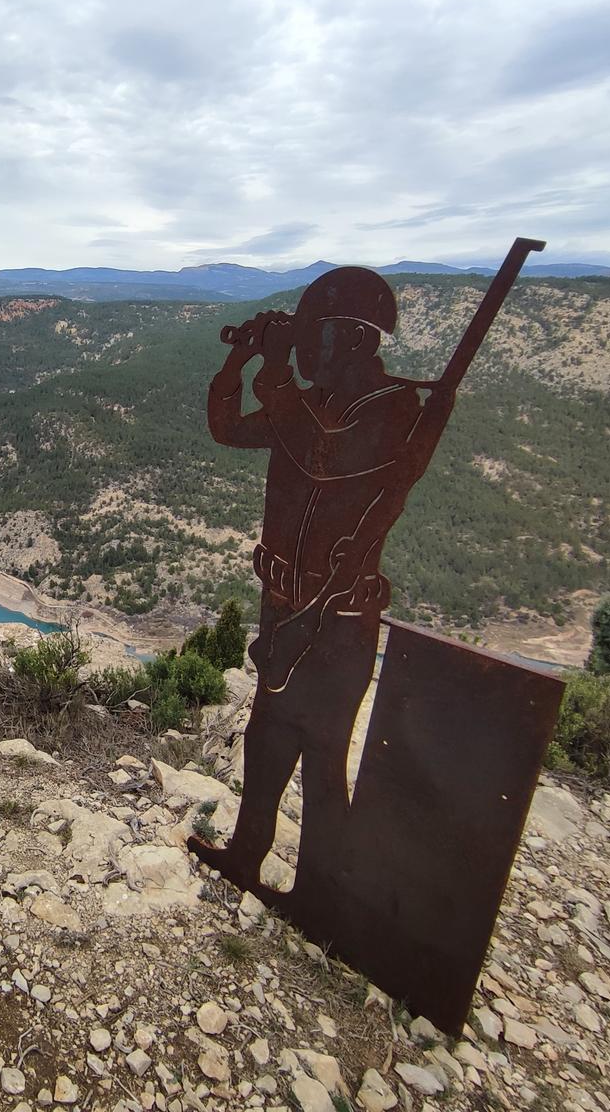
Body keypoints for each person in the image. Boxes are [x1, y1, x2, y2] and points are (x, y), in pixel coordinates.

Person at [191, 266, 458, 902]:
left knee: (324, 751)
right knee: (267, 732)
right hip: (282, 604)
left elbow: (322, 451)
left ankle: (320, 891)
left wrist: (275, 371)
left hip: (338, 615)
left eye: (317, 337)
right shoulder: (308, 406)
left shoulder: (393, 410)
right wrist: (238, 362)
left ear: (358, 340)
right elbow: (227, 427)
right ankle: (248, 853)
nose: (308, 350)